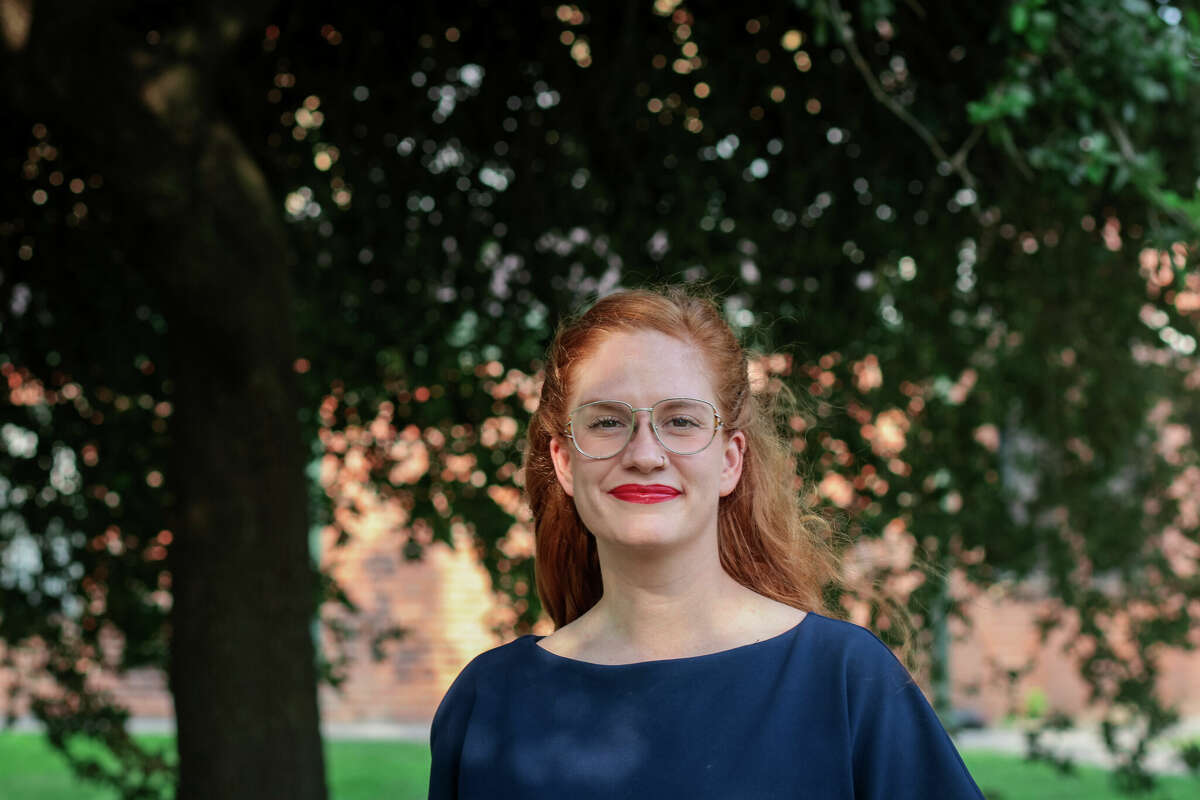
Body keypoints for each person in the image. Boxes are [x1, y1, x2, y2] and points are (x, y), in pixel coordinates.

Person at [428, 287, 985, 799]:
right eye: (605, 423)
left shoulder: (843, 682)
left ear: (730, 460)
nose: (645, 454)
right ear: (564, 462)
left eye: (681, 421)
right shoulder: (488, 704)